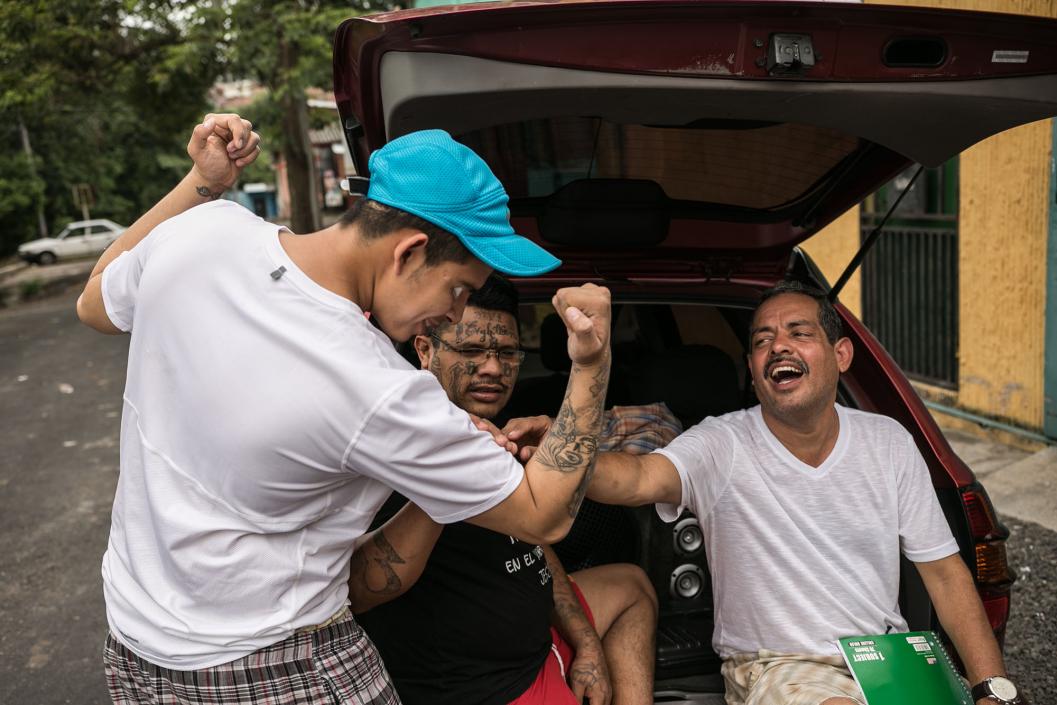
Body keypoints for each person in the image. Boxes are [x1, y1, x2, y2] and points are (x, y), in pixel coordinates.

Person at [76, 114, 614, 705]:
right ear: (409, 253)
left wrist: (201, 185)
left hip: (136, 647)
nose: (456, 314)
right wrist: (591, 363)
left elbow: (94, 300)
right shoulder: (376, 385)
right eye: (459, 289)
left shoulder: (202, 233)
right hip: (281, 668)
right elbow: (543, 517)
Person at [560, 280, 1025, 705]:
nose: (778, 345)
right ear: (752, 370)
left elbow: (946, 574)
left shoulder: (889, 441)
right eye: (762, 340)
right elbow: (635, 479)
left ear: (841, 354)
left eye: (798, 333)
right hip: (779, 668)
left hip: (888, 660)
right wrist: (559, 451)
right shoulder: (721, 443)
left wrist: (992, 688)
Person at [349, 274, 678, 705]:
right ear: (426, 352)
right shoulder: (394, 448)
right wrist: (450, 477)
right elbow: (360, 590)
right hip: (490, 688)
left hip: (540, 645)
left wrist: (588, 646)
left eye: (506, 353)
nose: (491, 367)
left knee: (631, 586)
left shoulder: (504, 435)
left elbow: (532, 541)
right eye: (470, 350)